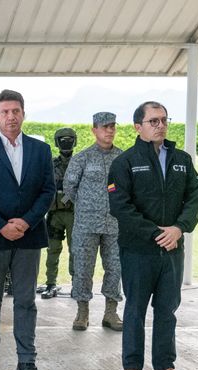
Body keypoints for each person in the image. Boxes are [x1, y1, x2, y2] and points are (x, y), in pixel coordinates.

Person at [109, 101, 198, 370]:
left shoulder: (182, 160)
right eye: (153, 121)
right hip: (138, 250)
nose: (160, 125)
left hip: (172, 249)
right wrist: (154, 233)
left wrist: (178, 229)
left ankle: (164, 369)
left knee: (167, 310)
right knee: (135, 310)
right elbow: (120, 207)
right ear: (138, 127)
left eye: (164, 119)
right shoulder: (124, 162)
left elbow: (194, 198)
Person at [0, 89, 55, 370]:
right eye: (4, 112)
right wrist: (1, 225)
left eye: (15, 111)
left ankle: (26, 361)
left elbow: (48, 191)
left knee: (26, 301)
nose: (10, 116)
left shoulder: (40, 150)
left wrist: (27, 221)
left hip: (29, 237)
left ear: (23, 114)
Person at [62, 112, 123, 331]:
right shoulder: (82, 158)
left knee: (115, 268)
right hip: (86, 225)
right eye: (105, 126)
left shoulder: (122, 158)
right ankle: (82, 312)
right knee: (83, 269)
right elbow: (69, 187)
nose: (109, 130)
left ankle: (110, 312)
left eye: (112, 126)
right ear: (94, 130)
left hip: (115, 224)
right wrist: (87, 204)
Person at [40, 128, 76, 299]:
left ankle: (77, 284)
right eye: (63, 139)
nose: (66, 143)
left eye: (69, 139)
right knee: (52, 249)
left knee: (76, 250)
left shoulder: (79, 163)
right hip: (54, 214)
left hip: (74, 215)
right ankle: (50, 283)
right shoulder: (50, 164)